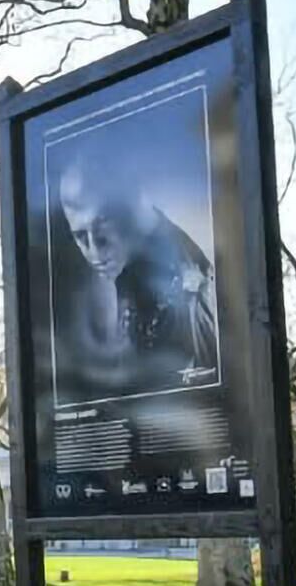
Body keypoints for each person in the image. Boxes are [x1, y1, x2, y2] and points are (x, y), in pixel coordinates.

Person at [50, 157, 218, 402]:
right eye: (80, 236)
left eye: (102, 227)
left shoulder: (194, 284)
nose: (95, 252)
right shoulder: (124, 281)